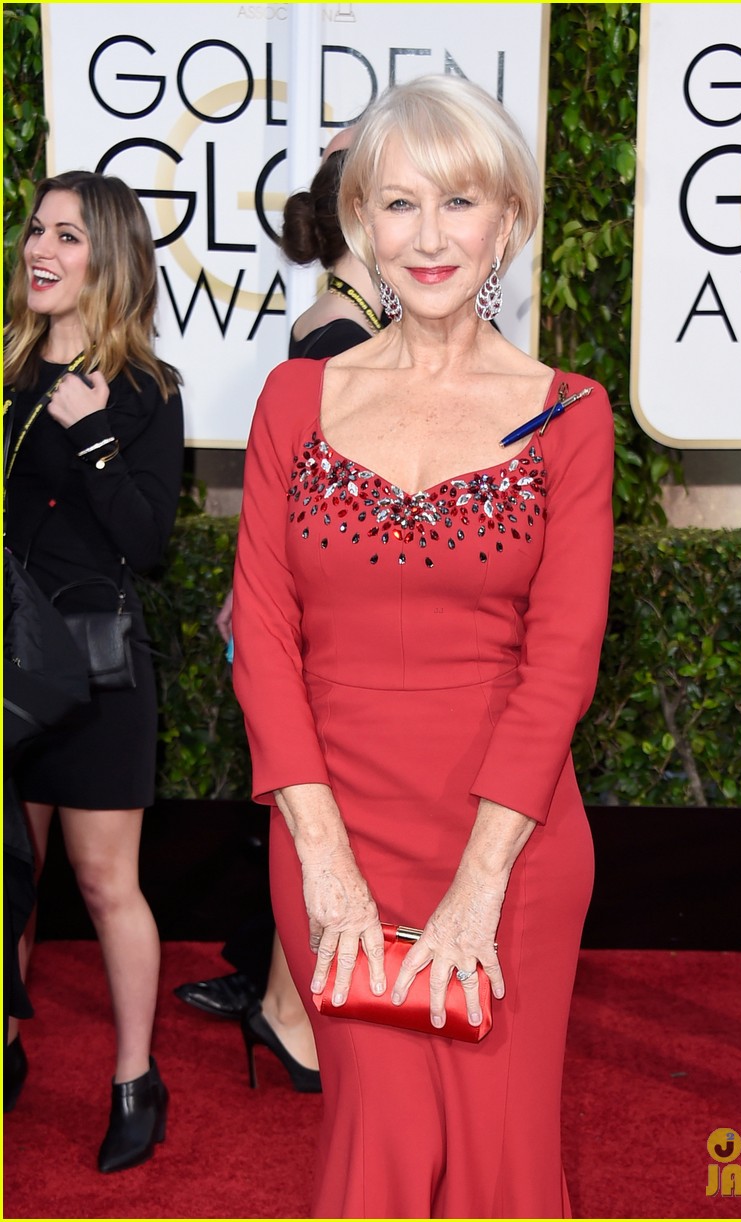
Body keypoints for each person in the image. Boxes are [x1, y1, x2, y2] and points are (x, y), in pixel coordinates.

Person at [232, 75, 614, 1219]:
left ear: (508, 222)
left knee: (501, 1165)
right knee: (378, 1152)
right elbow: (260, 630)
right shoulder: (295, 399)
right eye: (400, 205)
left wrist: (478, 885)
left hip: (514, 844)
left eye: (461, 203)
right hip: (330, 835)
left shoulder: (566, 412)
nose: (431, 236)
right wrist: (325, 858)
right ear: (361, 225)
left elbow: (563, 662)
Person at [175, 134, 384, 1095]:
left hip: (306, 612)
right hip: (314, 621)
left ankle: (284, 1003)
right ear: (361, 220)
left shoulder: (340, 321)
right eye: (400, 201)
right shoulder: (340, 335)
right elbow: (324, 505)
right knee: (311, 813)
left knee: (303, 814)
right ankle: (289, 1007)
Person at [3, 171, 184, 1172]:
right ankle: (7, 1044)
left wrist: (95, 432)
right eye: (36, 229)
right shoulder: (4, 369)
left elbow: (148, 541)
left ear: (106, 258)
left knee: (105, 882)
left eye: (68, 235)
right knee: (10, 883)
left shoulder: (148, 391)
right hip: (6, 671)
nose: (41, 248)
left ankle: (134, 1079)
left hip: (95, 672)